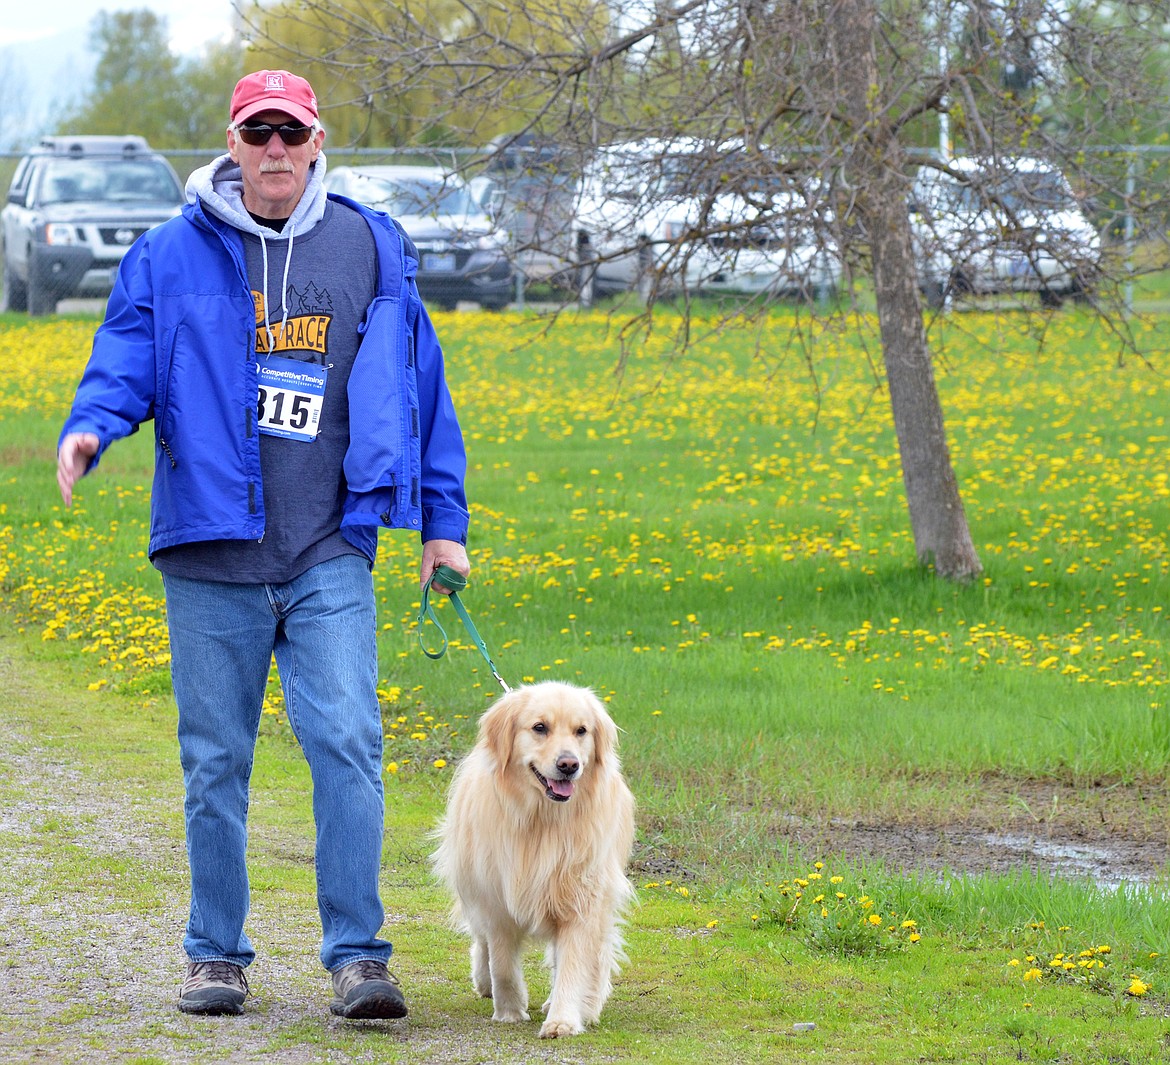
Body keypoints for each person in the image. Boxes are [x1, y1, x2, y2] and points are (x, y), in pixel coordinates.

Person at [56, 69, 471, 1021]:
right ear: (233, 144)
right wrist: (92, 425)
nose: (276, 149)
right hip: (210, 552)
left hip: (327, 546)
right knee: (214, 761)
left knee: (350, 745)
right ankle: (216, 953)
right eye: (259, 133)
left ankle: (359, 954)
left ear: (317, 139)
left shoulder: (371, 245)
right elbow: (122, 356)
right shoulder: (166, 254)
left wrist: (441, 524)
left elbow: (422, 387)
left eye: (292, 132)